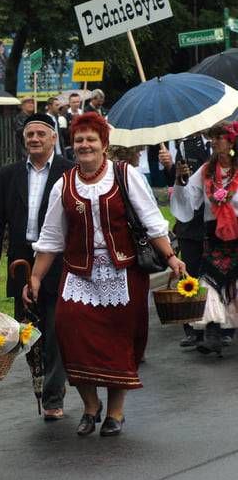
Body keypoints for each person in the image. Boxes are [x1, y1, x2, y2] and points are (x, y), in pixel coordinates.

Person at [27, 113, 182, 437]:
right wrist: (37, 277)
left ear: (104, 144)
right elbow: (51, 237)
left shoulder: (125, 175)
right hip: (79, 274)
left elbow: (152, 222)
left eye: (91, 139)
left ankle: (115, 411)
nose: (84, 145)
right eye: (79, 140)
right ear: (72, 145)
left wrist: (171, 258)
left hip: (123, 273)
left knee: (119, 341)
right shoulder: (64, 184)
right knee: (70, 333)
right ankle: (90, 405)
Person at [0, 114, 74, 421]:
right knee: (30, 334)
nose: (34, 139)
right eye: (29, 134)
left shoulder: (68, 171)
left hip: (59, 261)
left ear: (53, 138)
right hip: (21, 264)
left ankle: (53, 394)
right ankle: (43, 382)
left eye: (40, 134)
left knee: (56, 330)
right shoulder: (9, 174)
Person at [170, 122, 238, 355]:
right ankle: (212, 333)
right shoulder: (206, 171)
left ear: (231, 142)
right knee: (209, 283)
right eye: (212, 138)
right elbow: (189, 201)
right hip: (214, 236)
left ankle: (224, 331)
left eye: (219, 138)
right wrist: (181, 180)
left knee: (233, 286)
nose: (214, 142)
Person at [161, 133, 211, 347]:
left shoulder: (229, 143)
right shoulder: (186, 145)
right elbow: (178, 183)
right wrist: (170, 167)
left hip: (220, 221)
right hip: (190, 224)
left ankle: (220, 326)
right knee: (190, 274)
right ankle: (192, 327)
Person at [14, 97, 36, 161]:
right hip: (24, 151)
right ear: (22, 106)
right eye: (28, 103)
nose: (31, 105)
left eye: (32, 103)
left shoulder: (33, 117)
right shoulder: (19, 118)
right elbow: (21, 132)